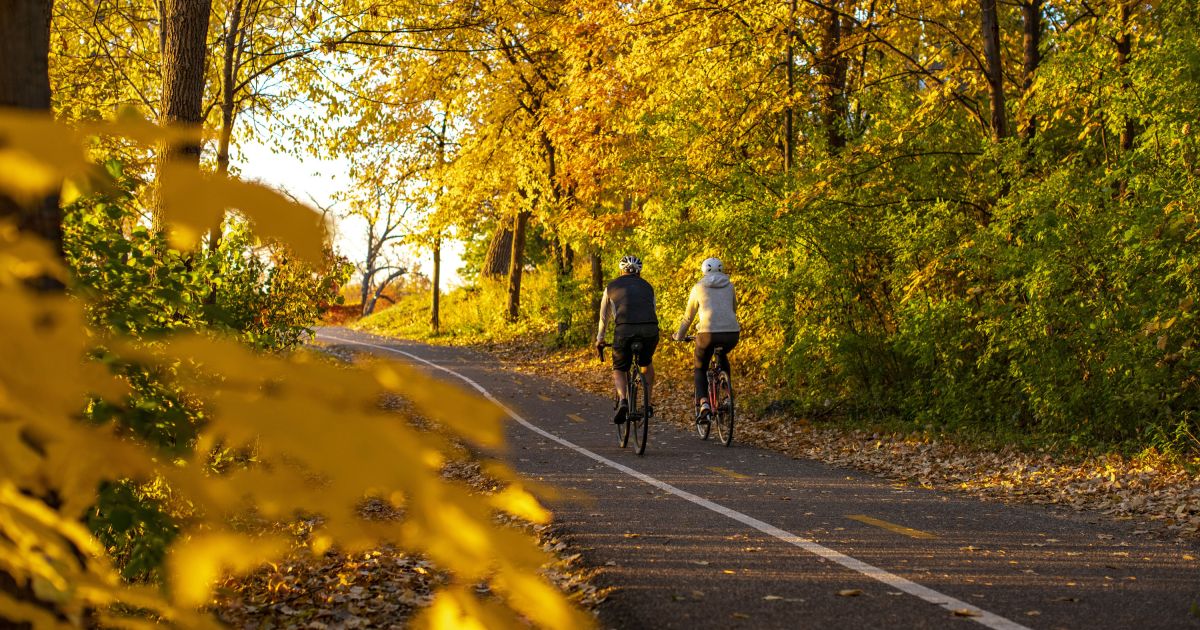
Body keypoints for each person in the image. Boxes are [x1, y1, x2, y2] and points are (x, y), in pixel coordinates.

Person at [673, 257, 739, 423]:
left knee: (700, 368)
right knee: (722, 354)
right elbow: (733, 308)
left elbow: (688, 317)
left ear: (703, 271)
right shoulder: (730, 286)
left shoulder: (698, 287)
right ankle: (727, 391)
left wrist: (679, 336)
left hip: (707, 334)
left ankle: (704, 405)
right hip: (731, 334)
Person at [596, 254, 659, 424]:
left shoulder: (611, 287)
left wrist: (600, 338)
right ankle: (647, 403)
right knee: (646, 363)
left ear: (621, 270)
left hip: (624, 330)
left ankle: (623, 399)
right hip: (650, 329)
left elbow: (604, 317)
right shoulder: (648, 286)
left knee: (619, 367)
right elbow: (652, 309)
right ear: (639, 272)